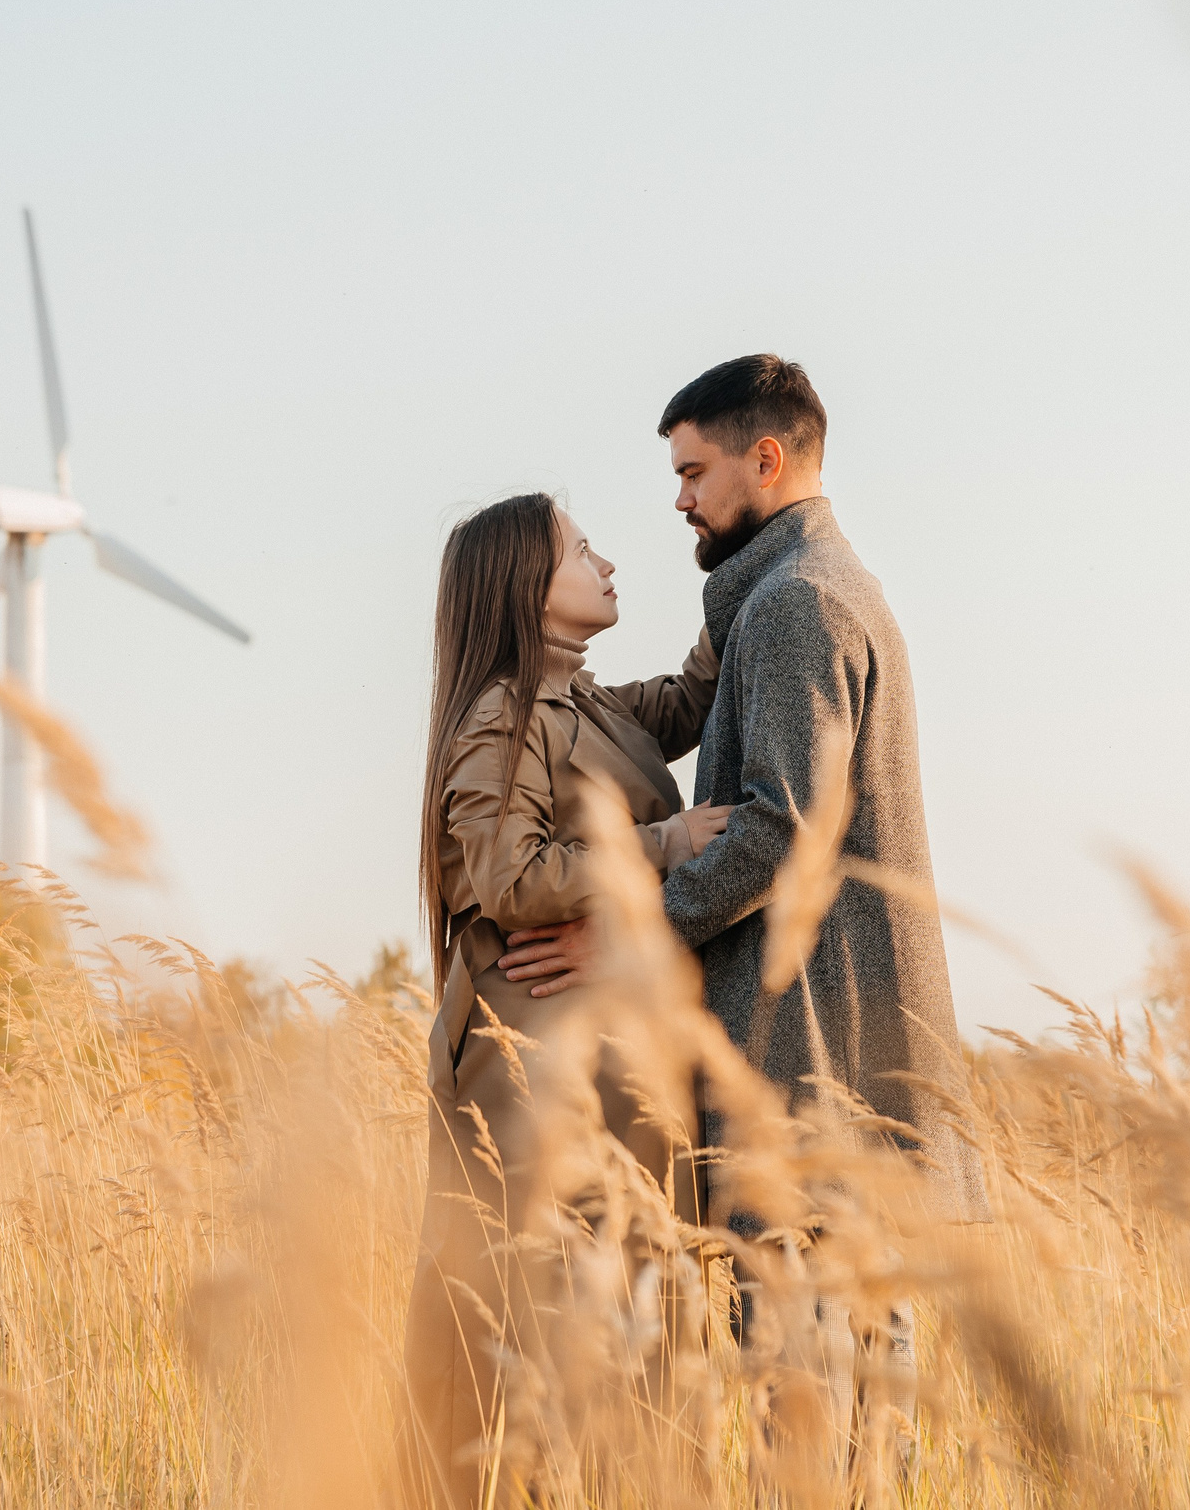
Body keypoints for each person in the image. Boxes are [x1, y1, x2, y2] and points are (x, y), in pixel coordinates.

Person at [401, 490, 733, 1508]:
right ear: (525, 591)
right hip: (531, 1057)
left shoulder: (584, 703)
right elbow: (508, 877)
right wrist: (664, 845)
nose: (608, 564)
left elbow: (687, 700)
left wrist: (745, 562)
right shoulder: (501, 715)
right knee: (533, 1310)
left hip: (599, 1047)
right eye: (582, 552)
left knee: (624, 1300)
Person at [653, 353, 989, 1230]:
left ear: (765, 461)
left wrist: (637, 925)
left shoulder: (796, 601)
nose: (680, 499)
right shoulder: (818, 587)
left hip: (808, 1082)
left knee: (802, 1366)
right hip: (840, 1088)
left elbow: (779, 828)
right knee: (867, 1369)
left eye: (693, 472)